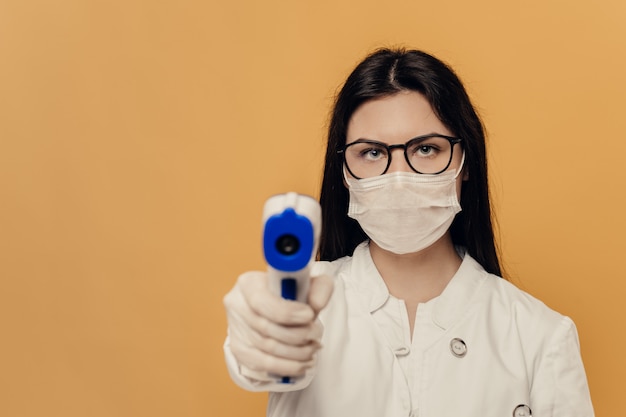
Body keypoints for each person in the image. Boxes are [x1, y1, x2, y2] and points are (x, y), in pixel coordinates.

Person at [223, 48, 594, 417]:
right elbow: (260, 356)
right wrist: (259, 333)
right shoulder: (302, 305)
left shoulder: (540, 336)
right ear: (344, 172)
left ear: (466, 163)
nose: (398, 177)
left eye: (426, 149)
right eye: (371, 153)